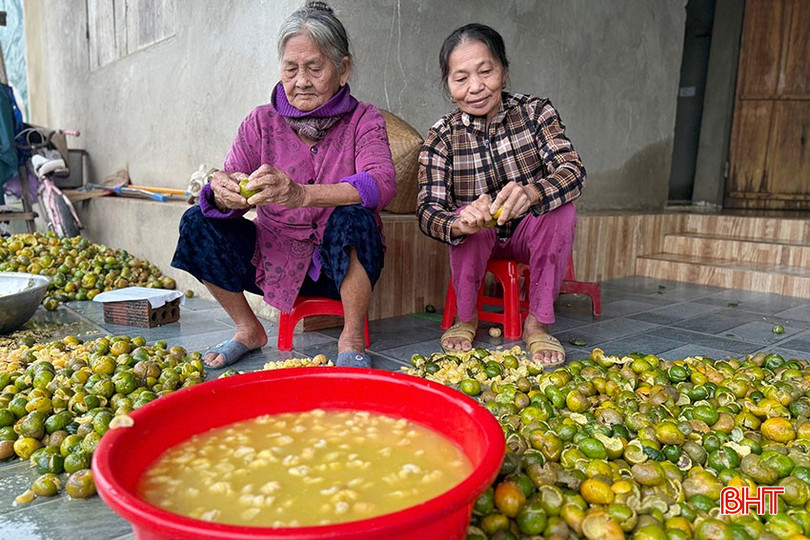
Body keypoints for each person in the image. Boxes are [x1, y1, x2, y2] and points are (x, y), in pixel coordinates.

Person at [172, 1, 395, 369]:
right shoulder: (260, 122)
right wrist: (222, 191)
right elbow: (229, 183)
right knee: (197, 221)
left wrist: (302, 194)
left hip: (337, 266)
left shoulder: (364, 119)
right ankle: (248, 329)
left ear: (343, 69)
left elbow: (381, 182)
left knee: (355, 217)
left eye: (314, 68)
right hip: (271, 260)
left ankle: (352, 334)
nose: (301, 81)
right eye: (291, 68)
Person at [417, 23, 586, 369]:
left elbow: (573, 171)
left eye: (486, 71)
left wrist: (533, 191)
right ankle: (466, 318)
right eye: (461, 78)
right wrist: (459, 223)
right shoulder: (442, 136)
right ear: (449, 87)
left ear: (504, 73)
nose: (476, 87)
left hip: (529, 233)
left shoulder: (536, 113)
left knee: (561, 211)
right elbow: (427, 210)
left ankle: (537, 323)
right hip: (479, 240)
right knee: (467, 216)